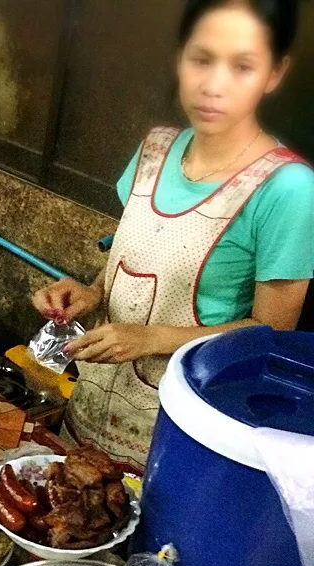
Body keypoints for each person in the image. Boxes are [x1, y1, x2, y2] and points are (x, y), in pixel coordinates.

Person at [33, 0, 314, 473]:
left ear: (274, 74)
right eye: (201, 59)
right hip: (90, 410)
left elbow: (272, 334)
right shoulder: (156, 147)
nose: (213, 84)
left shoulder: (289, 189)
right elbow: (134, 254)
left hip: (176, 433)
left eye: (242, 66)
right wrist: (91, 292)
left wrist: (151, 338)